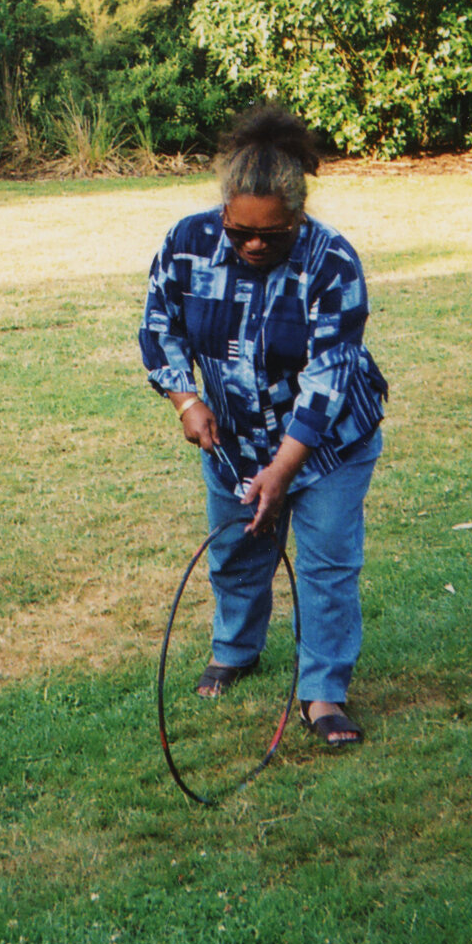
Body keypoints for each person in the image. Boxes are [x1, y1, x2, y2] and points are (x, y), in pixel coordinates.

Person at [139, 106, 388, 745]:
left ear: (297, 217)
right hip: (235, 440)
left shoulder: (332, 262)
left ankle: (322, 693)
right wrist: (187, 402)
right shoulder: (187, 242)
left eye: (271, 235)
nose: (253, 245)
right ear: (223, 211)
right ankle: (236, 650)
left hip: (329, 446)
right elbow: (160, 327)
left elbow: (329, 378)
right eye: (240, 231)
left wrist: (283, 470)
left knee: (327, 565)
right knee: (237, 550)